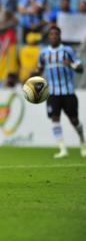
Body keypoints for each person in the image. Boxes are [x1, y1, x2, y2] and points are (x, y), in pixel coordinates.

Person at [33, 26, 85, 158]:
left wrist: (71, 65)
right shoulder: (44, 53)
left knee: (74, 120)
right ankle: (62, 149)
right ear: (49, 37)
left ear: (60, 36)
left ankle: (83, 142)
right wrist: (33, 75)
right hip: (52, 93)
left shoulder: (67, 51)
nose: (54, 36)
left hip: (68, 92)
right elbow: (39, 69)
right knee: (55, 119)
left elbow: (80, 69)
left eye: (56, 34)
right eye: (51, 34)